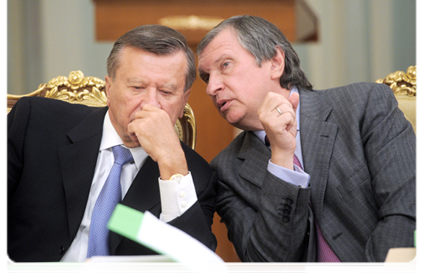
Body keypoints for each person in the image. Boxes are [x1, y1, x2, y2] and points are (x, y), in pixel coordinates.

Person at [196, 15, 419, 266]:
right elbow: (268, 263)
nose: (211, 87)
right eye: (206, 77)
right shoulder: (227, 170)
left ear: (275, 62)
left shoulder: (363, 107)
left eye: (225, 65)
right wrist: (281, 159)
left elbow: (408, 213)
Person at [6, 25, 217, 263]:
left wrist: (171, 163)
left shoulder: (194, 177)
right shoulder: (37, 124)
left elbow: (196, 264)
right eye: (137, 88)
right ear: (109, 88)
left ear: (184, 101)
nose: (150, 104)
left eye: (166, 92)